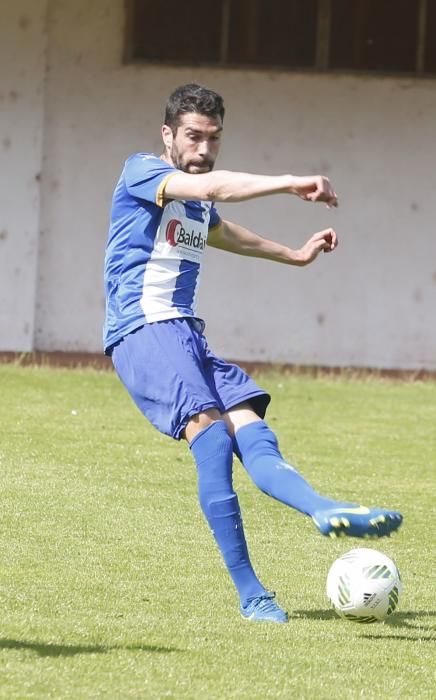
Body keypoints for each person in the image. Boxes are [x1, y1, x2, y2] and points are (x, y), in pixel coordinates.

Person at [103, 83, 403, 624]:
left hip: (189, 336)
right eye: (192, 136)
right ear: (168, 135)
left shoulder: (197, 203)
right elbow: (215, 186)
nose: (203, 149)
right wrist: (289, 182)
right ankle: (251, 593)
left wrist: (295, 254)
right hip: (143, 330)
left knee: (251, 429)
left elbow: (227, 233)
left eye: (213, 138)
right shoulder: (143, 171)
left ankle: (324, 509)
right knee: (212, 436)